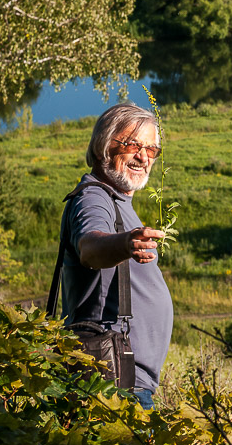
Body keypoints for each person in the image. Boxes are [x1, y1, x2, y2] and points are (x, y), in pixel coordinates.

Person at [58, 102, 172, 411]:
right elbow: (89, 247)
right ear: (103, 147)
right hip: (112, 384)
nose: (143, 157)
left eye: (151, 149)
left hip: (122, 379)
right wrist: (124, 244)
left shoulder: (116, 200)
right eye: (133, 145)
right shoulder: (93, 198)